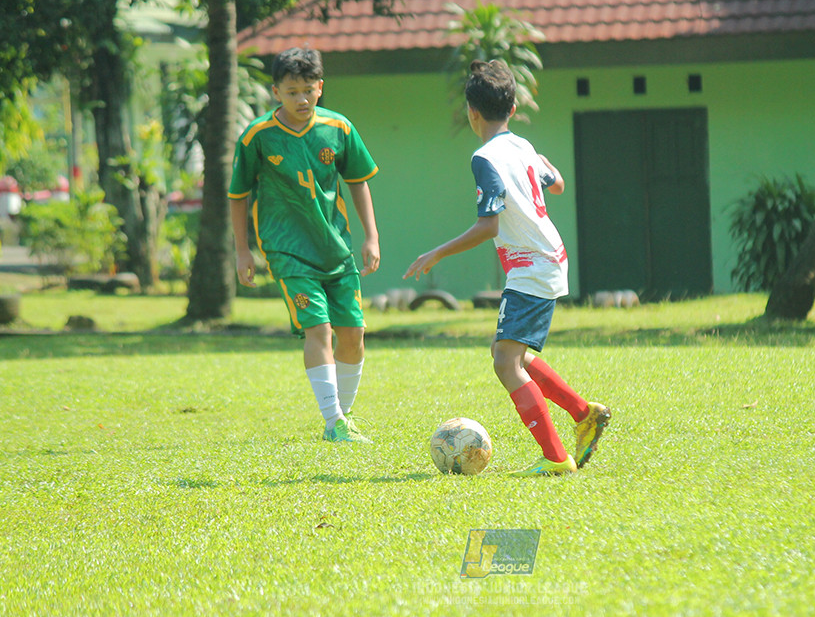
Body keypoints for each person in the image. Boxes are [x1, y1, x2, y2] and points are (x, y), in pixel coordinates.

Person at [404, 59, 610, 476]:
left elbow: (489, 225)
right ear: (513, 108)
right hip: (547, 257)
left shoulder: (485, 157)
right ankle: (584, 413)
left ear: (471, 112)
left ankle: (556, 459)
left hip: (531, 264)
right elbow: (557, 182)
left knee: (505, 363)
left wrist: (436, 253)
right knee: (517, 355)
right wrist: (538, 166)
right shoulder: (524, 148)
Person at [229, 47, 380, 443]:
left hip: (336, 248)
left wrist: (371, 236)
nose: (300, 99)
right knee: (320, 329)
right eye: (291, 90)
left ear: (320, 89)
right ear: (276, 91)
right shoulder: (257, 137)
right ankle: (334, 423)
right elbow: (238, 194)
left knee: (354, 334)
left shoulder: (339, 129)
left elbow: (358, 181)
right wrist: (243, 250)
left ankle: (342, 419)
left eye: (307, 90)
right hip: (287, 250)